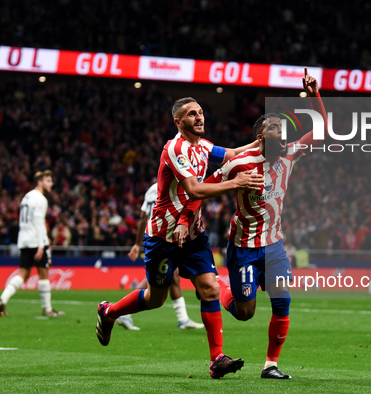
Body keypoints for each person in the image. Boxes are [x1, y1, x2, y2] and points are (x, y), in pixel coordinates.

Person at [95, 96, 265, 379]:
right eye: (191, 114)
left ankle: (217, 359)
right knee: (155, 298)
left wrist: (259, 144)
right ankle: (109, 312)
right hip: (164, 236)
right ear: (178, 122)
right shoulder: (175, 149)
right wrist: (235, 182)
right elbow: (195, 190)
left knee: (209, 288)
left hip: (193, 234)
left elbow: (233, 153)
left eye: (200, 112)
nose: (199, 117)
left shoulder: (204, 145)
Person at [177, 68, 327, 379]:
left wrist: (314, 96)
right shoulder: (237, 163)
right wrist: (183, 220)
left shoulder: (290, 155)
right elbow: (199, 191)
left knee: (282, 302)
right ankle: (218, 285)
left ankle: (270, 364)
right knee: (245, 314)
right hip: (243, 246)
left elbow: (322, 130)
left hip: (273, 246)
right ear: (261, 136)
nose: (283, 133)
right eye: (275, 128)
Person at [123, 181, 205, 331]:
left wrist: (137, 244)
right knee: (161, 281)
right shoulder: (170, 187)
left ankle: (183, 319)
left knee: (172, 277)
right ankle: (124, 312)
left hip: (152, 236)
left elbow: (143, 218)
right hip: (163, 237)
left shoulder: (150, 190)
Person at [0, 170, 65, 317]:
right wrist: (41, 244)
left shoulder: (26, 197)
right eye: (48, 181)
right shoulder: (40, 199)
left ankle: (3, 299)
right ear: (39, 182)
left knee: (24, 272)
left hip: (24, 239)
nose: (51, 184)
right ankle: (47, 308)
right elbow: (39, 222)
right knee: (44, 273)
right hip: (36, 239)